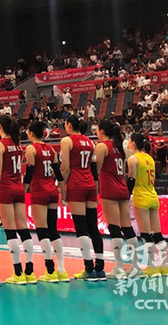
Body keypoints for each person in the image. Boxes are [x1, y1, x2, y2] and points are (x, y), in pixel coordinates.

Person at [60, 115, 105, 280]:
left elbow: (65, 167)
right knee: (93, 227)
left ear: (69, 125)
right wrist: (96, 189)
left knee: (81, 227)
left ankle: (89, 268)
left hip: (76, 184)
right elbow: (94, 169)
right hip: (90, 185)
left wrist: (62, 188)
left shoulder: (67, 141)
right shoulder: (91, 142)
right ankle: (100, 268)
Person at [24, 120, 68, 281]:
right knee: (53, 230)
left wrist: (22, 191)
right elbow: (59, 174)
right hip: (52, 191)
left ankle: (50, 270)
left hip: (39, 191)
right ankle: (61, 269)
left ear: (31, 133)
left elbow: (29, 174)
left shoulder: (31, 149)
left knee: (42, 230)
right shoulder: (51, 149)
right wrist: (63, 193)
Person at [0, 116, 34, 285]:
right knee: (23, 229)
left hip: (5, 189)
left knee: (10, 231)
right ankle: (29, 271)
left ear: (0, 127)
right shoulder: (18, 145)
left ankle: (18, 273)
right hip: (18, 188)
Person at [95, 119, 136, 278]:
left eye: (97, 129)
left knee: (114, 228)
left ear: (102, 131)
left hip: (109, 190)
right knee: (127, 228)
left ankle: (119, 267)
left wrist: (94, 191)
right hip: (122, 189)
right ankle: (135, 267)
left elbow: (96, 172)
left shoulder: (102, 146)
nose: (96, 131)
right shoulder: (119, 147)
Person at [128, 133, 168, 276]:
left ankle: (152, 266)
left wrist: (126, 197)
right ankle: (164, 266)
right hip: (153, 196)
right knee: (157, 234)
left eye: (129, 140)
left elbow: (131, 180)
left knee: (145, 234)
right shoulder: (149, 158)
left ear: (133, 143)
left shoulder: (133, 159)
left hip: (141, 198)